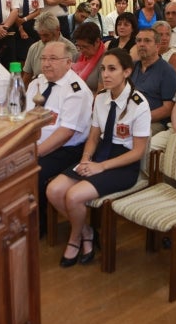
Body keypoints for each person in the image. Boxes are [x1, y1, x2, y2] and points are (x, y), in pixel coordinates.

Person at [47, 48, 151, 267]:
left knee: (74, 196)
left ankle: (75, 239)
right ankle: (86, 231)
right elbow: (94, 137)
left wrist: (101, 167)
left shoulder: (139, 103)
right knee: (54, 190)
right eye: (103, 68)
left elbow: (138, 152)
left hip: (123, 163)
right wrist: (86, 159)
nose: (105, 74)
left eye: (112, 69)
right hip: (99, 155)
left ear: (127, 72)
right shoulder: (102, 98)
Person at [25, 41, 93, 238]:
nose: (46, 64)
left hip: (67, 149)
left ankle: (39, 226)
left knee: (31, 172)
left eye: (53, 59)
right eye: (44, 58)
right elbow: (25, 116)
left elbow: (66, 133)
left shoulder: (76, 90)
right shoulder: (37, 83)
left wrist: (33, 153)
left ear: (68, 62)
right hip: (35, 143)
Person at [132, 28, 176, 135]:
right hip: (129, 117)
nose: (142, 44)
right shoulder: (133, 67)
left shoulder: (167, 71)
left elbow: (168, 108)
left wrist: (139, 118)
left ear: (157, 46)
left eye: (147, 41)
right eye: (139, 41)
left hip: (154, 122)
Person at [22, 12, 77, 87]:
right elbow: (27, 77)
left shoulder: (70, 50)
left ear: (57, 30)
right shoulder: (34, 48)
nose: (43, 39)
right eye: (40, 35)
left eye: (46, 35)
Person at [9, 0, 44, 64]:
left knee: (33, 54)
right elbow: (12, 11)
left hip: (32, 23)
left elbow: (38, 11)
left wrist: (24, 19)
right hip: (17, 23)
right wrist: (20, 29)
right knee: (20, 56)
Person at [72, 22, 105, 91]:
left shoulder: (105, 61)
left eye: (85, 47)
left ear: (97, 41)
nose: (81, 50)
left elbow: (101, 94)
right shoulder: (76, 57)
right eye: (78, 46)